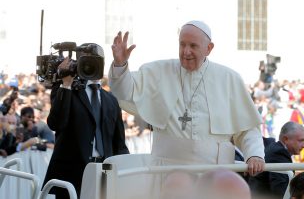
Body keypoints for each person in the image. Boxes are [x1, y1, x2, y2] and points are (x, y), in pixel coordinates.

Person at [108, 20, 265, 175]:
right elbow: (125, 92)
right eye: (182, 44)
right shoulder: (158, 71)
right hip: (167, 173)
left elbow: (247, 127)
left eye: (193, 46)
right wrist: (120, 65)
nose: (186, 51)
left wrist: (255, 154)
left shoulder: (229, 79)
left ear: (209, 48)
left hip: (215, 175)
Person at [42, 43, 129, 199]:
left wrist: (126, 172)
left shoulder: (111, 100)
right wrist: (66, 83)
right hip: (71, 177)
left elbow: (119, 144)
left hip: (104, 174)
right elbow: (56, 123)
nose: (90, 65)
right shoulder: (65, 90)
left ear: (103, 63)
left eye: (95, 61)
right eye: (85, 61)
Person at [248, 121, 304, 199]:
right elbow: (281, 191)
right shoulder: (278, 153)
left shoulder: (276, 149)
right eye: (301, 140)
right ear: (285, 139)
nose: (303, 145)